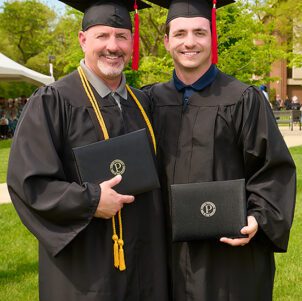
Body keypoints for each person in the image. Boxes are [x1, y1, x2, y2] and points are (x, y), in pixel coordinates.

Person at [7, 1, 169, 300]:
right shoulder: (52, 101)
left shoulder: (143, 103)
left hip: (145, 263)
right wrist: (91, 201)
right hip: (85, 269)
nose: (113, 46)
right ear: (83, 40)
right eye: (102, 36)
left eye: (121, 36)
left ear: (132, 44)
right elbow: (31, 184)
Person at [144, 0, 296, 300]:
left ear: (212, 39)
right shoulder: (149, 101)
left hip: (227, 257)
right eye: (180, 33)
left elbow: (273, 169)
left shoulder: (243, 99)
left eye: (200, 33)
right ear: (166, 41)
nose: (190, 42)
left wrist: (258, 217)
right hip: (165, 254)